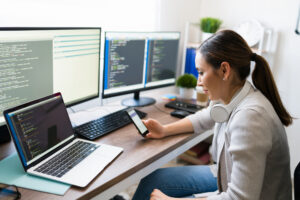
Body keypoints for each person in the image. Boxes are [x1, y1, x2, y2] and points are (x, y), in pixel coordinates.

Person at [132, 30, 293, 200]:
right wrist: (164, 130)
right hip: (223, 174)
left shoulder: (250, 118)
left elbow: (239, 198)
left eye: (201, 72)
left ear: (224, 70)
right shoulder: (231, 95)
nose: (198, 81)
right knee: (153, 179)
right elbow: (205, 117)